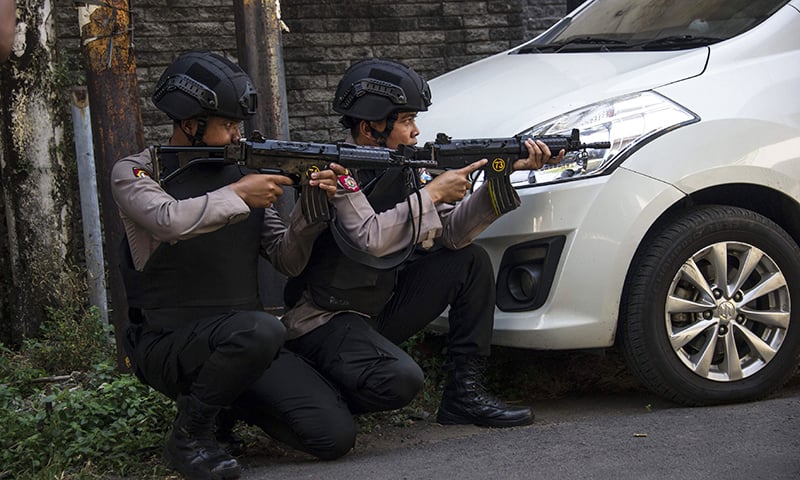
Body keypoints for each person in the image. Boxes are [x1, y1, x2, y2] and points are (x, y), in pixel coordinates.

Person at [111, 51, 355, 480]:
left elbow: (287, 258)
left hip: (244, 343)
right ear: (190, 123)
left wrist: (312, 209)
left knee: (332, 437)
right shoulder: (137, 171)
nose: (235, 135)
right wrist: (240, 194)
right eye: (227, 124)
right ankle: (191, 434)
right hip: (168, 343)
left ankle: (223, 404)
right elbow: (169, 222)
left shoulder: (241, 172)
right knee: (260, 327)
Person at [282, 58, 564, 428]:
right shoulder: (337, 172)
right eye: (406, 120)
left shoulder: (405, 166)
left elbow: (452, 234)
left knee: (469, 261)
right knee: (402, 381)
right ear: (370, 127)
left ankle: (464, 394)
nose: (416, 131)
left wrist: (503, 173)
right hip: (326, 318)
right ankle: (318, 390)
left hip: (379, 306)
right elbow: (371, 238)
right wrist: (431, 194)